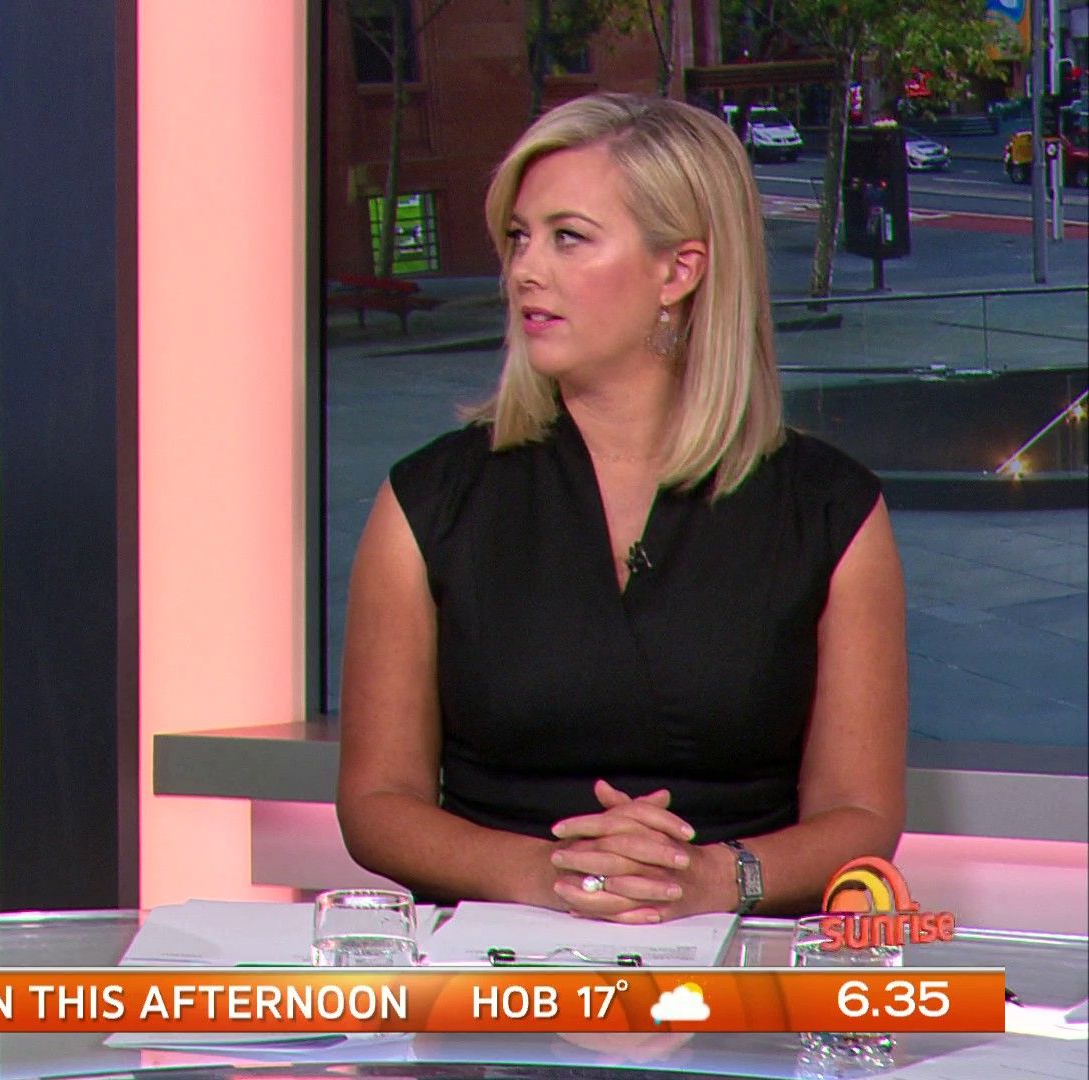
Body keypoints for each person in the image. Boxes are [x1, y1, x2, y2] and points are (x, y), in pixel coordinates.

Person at [336, 94, 906, 922]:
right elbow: (376, 803)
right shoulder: (429, 501)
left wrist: (707, 880)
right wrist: (548, 875)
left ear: (679, 271)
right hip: (493, 962)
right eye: (519, 238)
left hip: (736, 958)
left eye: (568, 237)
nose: (525, 270)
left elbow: (860, 815)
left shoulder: (828, 510)